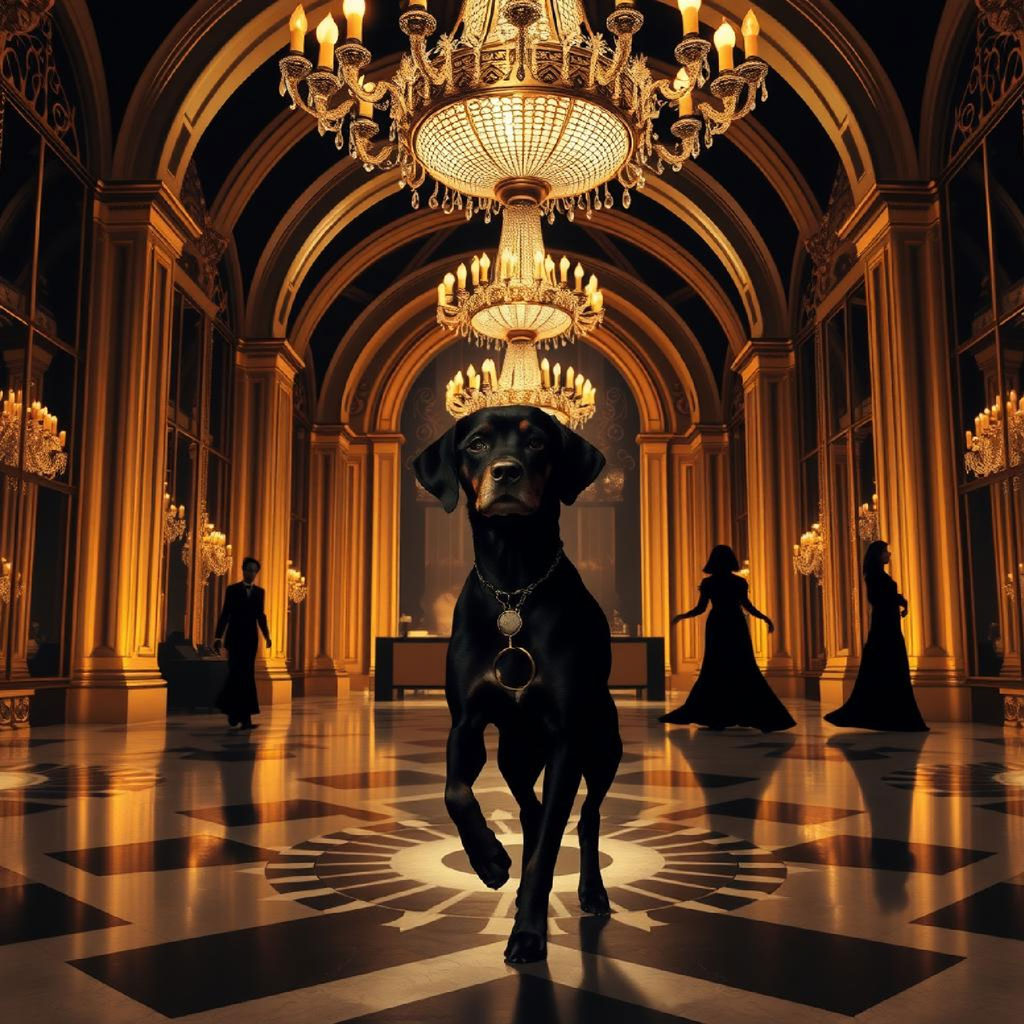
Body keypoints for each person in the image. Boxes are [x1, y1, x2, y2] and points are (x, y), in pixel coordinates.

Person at [659, 545, 795, 732]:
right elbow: (747, 606)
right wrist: (764, 618)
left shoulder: (709, 583)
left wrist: (682, 616)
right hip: (735, 624)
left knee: (714, 668)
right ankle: (758, 715)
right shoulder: (739, 582)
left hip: (717, 625)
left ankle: (716, 716)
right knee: (744, 667)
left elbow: (700, 609)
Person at [824, 540, 928, 732]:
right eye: (886, 552)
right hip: (884, 626)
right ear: (878, 555)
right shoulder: (873, 576)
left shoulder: (879, 575)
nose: (889, 555)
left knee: (890, 666)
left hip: (888, 624)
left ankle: (893, 715)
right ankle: (894, 716)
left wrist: (901, 601)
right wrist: (897, 600)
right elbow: (876, 598)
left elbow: (884, 596)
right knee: (890, 665)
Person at [212, 557, 271, 729]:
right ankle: (232, 711)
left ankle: (245, 718)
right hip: (235, 639)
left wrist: (266, 636)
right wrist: (218, 637)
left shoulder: (260, 593)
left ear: (256, 573)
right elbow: (225, 614)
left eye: (254, 571)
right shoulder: (232, 590)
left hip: (250, 640)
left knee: (247, 677)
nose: (251, 573)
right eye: (248, 570)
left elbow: (261, 616)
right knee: (236, 675)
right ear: (243, 570)